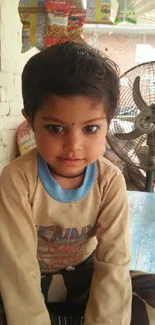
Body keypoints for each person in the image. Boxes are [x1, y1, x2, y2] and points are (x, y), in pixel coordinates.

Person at [0, 40, 154, 325]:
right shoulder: (17, 179)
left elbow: (113, 263)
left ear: (109, 122)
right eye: (55, 128)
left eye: (91, 128)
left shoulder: (109, 181)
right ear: (31, 121)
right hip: (30, 279)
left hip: (84, 276)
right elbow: (18, 269)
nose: (73, 146)